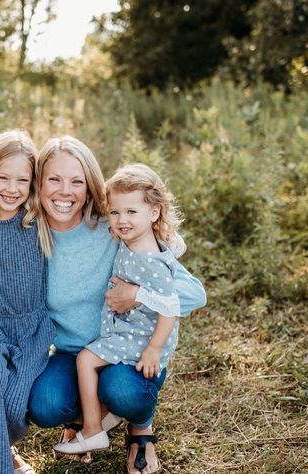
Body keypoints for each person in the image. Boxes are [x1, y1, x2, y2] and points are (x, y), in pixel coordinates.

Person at [0, 136, 205, 474]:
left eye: (77, 181)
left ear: (89, 188)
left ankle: (140, 427)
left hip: (125, 351)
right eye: (54, 180)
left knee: (123, 391)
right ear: (38, 184)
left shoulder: (115, 229)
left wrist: (136, 294)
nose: (65, 192)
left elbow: (192, 294)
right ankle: (85, 416)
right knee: (44, 404)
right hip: (71, 353)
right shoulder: (28, 232)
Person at [53, 163, 193, 474]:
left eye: (131, 212)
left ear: (154, 213)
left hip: (141, 339)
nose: (121, 220)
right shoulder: (133, 241)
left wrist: (154, 348)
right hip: (129, 332)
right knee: (87, 362)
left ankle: (93, 430)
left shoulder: (150, 260)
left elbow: (170, 307)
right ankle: (100, 419)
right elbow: (171, 245)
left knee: (86, 361)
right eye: (115, 213)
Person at [0, 130, 55, 474]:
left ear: (33, 183)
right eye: (2, 177)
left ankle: (4, 451)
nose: (11, 188)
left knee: (15, 405)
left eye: (22, 179)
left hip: (34, 327)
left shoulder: (39, 220)